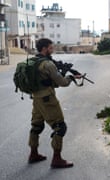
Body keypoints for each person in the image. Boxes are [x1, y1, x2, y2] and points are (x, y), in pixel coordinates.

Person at [28, 38, 81, 168]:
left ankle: (33, 154)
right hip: (47, 99)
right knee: (60, 127)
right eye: (51, 48)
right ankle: (57, 159)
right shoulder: (48, 64)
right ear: (45, 49)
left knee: (36, 126)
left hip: (36, 98)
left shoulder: (32, 61)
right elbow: (62, 82)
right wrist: (71, 77)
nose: (52, 50)